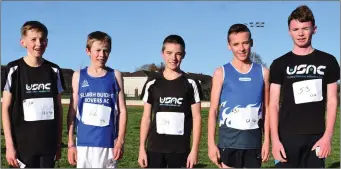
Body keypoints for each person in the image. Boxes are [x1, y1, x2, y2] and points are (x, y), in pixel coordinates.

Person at [269, 5, 340, 168]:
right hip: (287, 137)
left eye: (305, 28)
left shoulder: (328, 61)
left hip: (316, 137)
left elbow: (332, 101)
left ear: (314, 29)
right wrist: (275, 140)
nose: (300, 33)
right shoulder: (280, 64)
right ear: (289, 31)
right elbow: (273, 104)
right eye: (295, 29)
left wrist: (327, 136)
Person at [1, 21, 65, 168]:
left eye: (42, 39)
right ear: (23, 42)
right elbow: (5, 108)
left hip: (47, 147)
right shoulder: (13, 69)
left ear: (47, 42)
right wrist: (9, 146)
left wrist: (58, 142)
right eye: (33, 39)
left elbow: (59, 108)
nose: (38, 44)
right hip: (22, 147)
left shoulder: (54, 70)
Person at [207, 23, 270, 168]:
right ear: (229, 45)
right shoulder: (220, 72)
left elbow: (266, 109)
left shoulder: (263, 72)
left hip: (253, 145)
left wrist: (267, 141)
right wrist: (211, 144)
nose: (241, 48)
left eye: (245, 43)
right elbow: (213, 111)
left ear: (251, 43)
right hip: (228, 144)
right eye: (236, 44)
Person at [138, 35, 203, 168]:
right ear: (162, 54)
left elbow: (197, 118)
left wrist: (194, 150)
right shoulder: (152, 82)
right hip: (154, 149)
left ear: (184, 55)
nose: (173, 58)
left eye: (178, 54)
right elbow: (146, 117)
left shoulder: (191, 83)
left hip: (180, 150)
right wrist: (141, 149)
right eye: (169, 53)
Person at [66, 31, 127, 168]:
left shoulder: (115, 75)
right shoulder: (78, 76)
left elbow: (122, 110)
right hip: (83, 143)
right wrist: (70, 144)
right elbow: (72, 111)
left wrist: (120, 141)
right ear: (88, 51)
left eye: (106, 51)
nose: (102, 55)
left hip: (108, 143)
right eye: (97, 50)